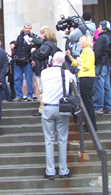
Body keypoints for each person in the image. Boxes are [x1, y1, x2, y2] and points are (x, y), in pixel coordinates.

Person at [41, 51, 75, 180]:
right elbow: (74, 82)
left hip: (48, 107)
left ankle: (50, 171)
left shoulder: (44, 73)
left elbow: (42, 87)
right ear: (64, 62)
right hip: (62, 108)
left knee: (49, 140)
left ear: (53, 61)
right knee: (62, 139)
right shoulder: (67, 73)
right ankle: (63, 169)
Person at [66, 34, 96, 132]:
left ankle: (91, 126)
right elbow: (75, 63)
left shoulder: (89, 52)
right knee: (85, 102)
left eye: (80, 41)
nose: (79, 43)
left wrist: (79, 62)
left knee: (88, 103)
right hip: (83, 77)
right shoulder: (84, 51)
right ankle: (89, 125)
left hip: (87, 78)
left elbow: (87, 65)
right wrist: (70, 56)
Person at [31, 27, 59, 116]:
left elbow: (41, 54)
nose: (40, 36)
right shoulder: (52, 44)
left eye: (42, 34)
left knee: (42, 90)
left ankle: (41, 110)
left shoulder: (47, 44)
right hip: (47, 69)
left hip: (43, 70)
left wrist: (34, 51)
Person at [93, 20, 111, 115]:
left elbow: (96, 52)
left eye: (99, 26)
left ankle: (98, 106)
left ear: (104, 27)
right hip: (107, 64)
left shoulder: (101, 39)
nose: (98, 28)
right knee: (107, 86)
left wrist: (93, 62)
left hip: (100, 65)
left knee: (99, 86)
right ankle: (109, 107)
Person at [12, 23, 36, 102]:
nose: (27, 29)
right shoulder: (19, 37)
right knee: (17, 78)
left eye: (29, 28)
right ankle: (19, 95)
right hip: (18, 60)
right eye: (26, 28)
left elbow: (35, 49)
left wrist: (32, 59)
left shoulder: (33, 37)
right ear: (24, 28)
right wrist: (13, 57)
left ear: (31, 28)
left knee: (29, 78)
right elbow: (15, 48)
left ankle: (29, 95)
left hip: (27, 60)